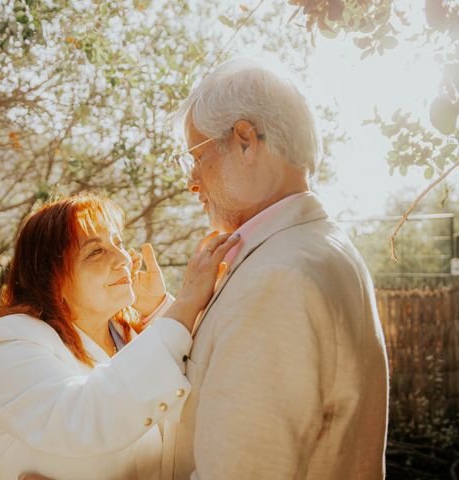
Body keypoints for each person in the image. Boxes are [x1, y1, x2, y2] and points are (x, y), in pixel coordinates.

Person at [162, 58, 390, 479]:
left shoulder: (278, 279)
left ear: (246, 141)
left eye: (196, 156)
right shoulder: (320, 248)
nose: (191, 180)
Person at [0, 192, 239, 480]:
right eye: (96, 252)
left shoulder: (129, 334)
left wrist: (158, 309)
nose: (122, 259)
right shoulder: (8, 340)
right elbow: (81, 419)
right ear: (52, 279)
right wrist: (188, 301)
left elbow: (201, 390)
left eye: (117, 243)